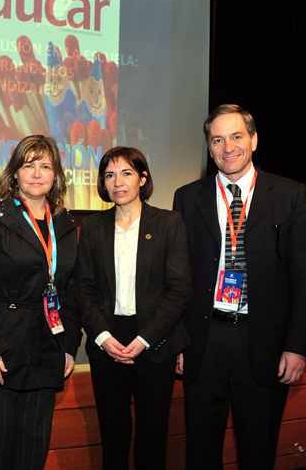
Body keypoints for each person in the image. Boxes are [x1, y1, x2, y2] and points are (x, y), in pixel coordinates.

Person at [172, 104, 306, 469]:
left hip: (264, 341)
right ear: (209, 148)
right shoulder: (188, 197)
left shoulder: (288, 194)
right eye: (217, 140)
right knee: (201, 451)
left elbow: (304, 278)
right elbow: (176, 278)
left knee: (258, 450)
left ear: (253, 139)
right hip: (204, 341)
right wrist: (177, 340)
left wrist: (297, 348)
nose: (228, 147)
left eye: (236, 137)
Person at [0, 134, 81, 470]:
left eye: (45, 166)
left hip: (46, 351)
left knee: (32, 455)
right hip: (0, 352)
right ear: (14, 174)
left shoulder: (65, 225)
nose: (37, 173)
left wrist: (69, 347)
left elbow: (71, 293)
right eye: (29, 165)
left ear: (56, 175)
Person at [74, 146, 192, 470]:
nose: (117, 182)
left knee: (152, 439)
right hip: (107, 342)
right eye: (109, 175)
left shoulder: (169, 223)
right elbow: (83, 289)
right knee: (113, 438)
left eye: (126, 173)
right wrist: (101, 336)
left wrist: (143, 339)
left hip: (155, 342)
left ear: (142, 178)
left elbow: (180, 290)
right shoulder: (93, 228)